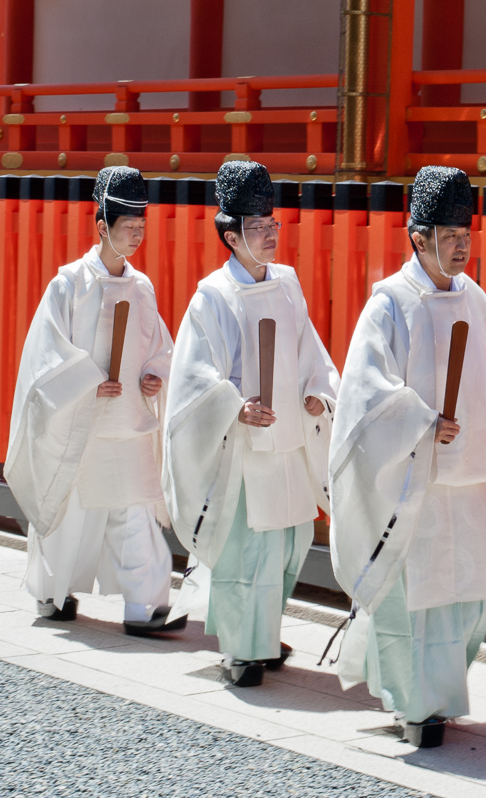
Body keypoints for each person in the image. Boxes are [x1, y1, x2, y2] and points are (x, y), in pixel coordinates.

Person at [327, 166, 486, 747]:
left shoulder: (474, 300)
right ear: (418, 236)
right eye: (449, 234)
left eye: (466, 234)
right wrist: (423, 422)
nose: (461, 245)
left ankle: (437, 694)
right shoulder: (389, 306)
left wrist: (470, 430)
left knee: (469, 596)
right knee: (414, 598)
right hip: (410, 480)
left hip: (461, 478)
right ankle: (416, 707)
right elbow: (366, 396)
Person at [163, 161, 339, 686]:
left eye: (272, 224)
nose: (269, 236)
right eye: (257, 227)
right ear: (230, 234)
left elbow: (310, 348)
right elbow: (194, 376)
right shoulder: (212, 295)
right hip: (243, 442)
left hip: (286, 437)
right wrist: (233, 407)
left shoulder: (287, 283)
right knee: (246, 550)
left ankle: (262, 633)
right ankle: (242, 651)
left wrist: (316, 391)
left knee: (289, 543)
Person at [5, 165, 183, 636]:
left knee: (136, 506)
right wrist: (86, 380)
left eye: (142, 228)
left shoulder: (141, 287)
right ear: (102, 226)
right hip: (80, 419)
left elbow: (162, 347)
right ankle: (51, 593)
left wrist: (153, 375)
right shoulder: (68, 285)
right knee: (69, 510)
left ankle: (145, 606)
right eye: (129, 228)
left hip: (126, 419)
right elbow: (46, 354)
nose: (137, 236)